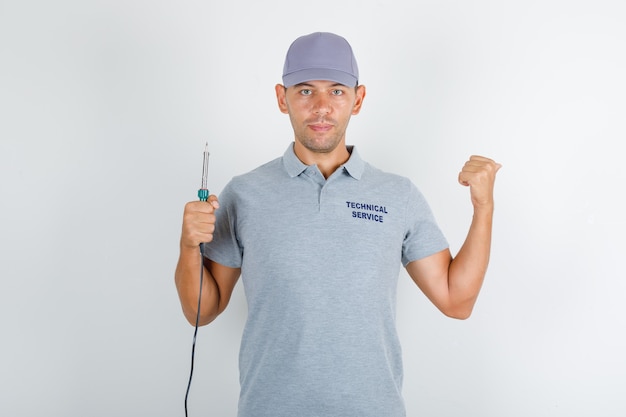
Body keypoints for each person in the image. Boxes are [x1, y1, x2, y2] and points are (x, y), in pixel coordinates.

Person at [175, 32, 501, 417]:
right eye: (306, 91)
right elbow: (201, 312)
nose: (322, 108)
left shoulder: (397, 195)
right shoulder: (245, 194)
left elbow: (455, 300)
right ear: (283, 98)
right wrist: (187, 247)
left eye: (336, 91)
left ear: (357, 99)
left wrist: (483, 207)